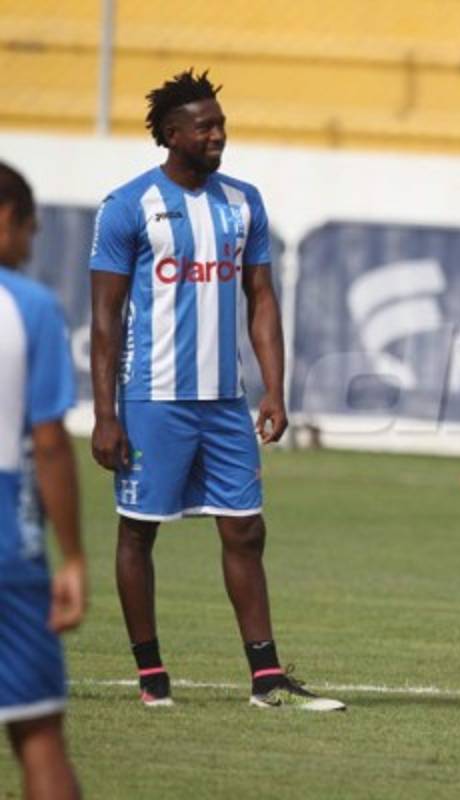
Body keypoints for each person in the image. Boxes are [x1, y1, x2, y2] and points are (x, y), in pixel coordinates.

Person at [88, 69, 343, 711]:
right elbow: (103, 319)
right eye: (204, 126)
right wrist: (105, 414)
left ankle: (266, 677)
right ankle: (150, 672)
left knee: (246, 531)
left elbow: (262, 298)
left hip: (224, 402)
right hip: (152, 399)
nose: (217, 135)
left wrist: (274, 390)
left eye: (221, 124)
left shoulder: (242, 202)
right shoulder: (127, 207)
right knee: (140, 531)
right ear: (171, 134)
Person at [0, 161, 87, 799]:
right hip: (8, 545)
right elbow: (50, 444)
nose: (31, 247)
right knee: (39, 737)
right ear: (9, 219)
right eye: (31, 231)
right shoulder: (27, 307)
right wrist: (74, 558)